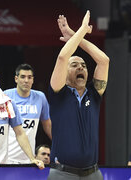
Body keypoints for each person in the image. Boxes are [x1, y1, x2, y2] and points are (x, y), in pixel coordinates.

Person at [48, 10, 109, 179]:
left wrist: (75, 36)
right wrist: (82, 29)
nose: (81, 67)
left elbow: (104, 61)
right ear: (65, 73)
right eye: (74, 65)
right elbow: (62, 57)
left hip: (93, 173)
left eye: (83, 65)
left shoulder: (94, 94)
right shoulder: (58, 92)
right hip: (62, 173)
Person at [4, 63, 51, 164]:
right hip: (7, 158)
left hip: (29, 159)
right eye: (23, 77)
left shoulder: (40, 97)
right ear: (16, 79)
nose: (26, 80)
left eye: (29, 77)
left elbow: (48, 126)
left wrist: (60, 147)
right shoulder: (6, 95)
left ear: (33, 80)